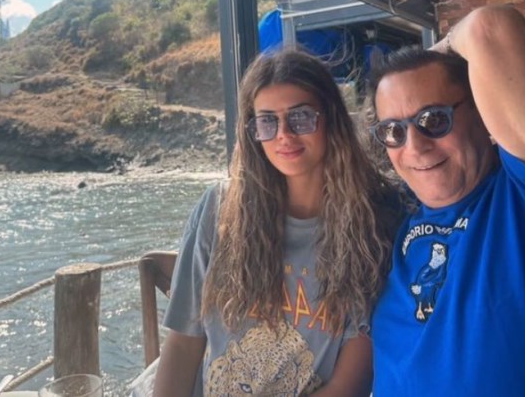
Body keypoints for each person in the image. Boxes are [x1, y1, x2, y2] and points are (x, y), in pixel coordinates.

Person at [153, 48, 400, 397]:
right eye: (267, 121)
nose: (284, 134)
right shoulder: (218, 210)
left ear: (331, 118)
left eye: (301, 117)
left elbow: (349, 384)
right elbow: (183, 344)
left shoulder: (371, 226)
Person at [366, 6, 525, 397]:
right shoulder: (392, 218)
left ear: (482, 113)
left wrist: (435, 52)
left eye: (433, 119)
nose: (414, 146)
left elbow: (490, 29)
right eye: (393, 131)